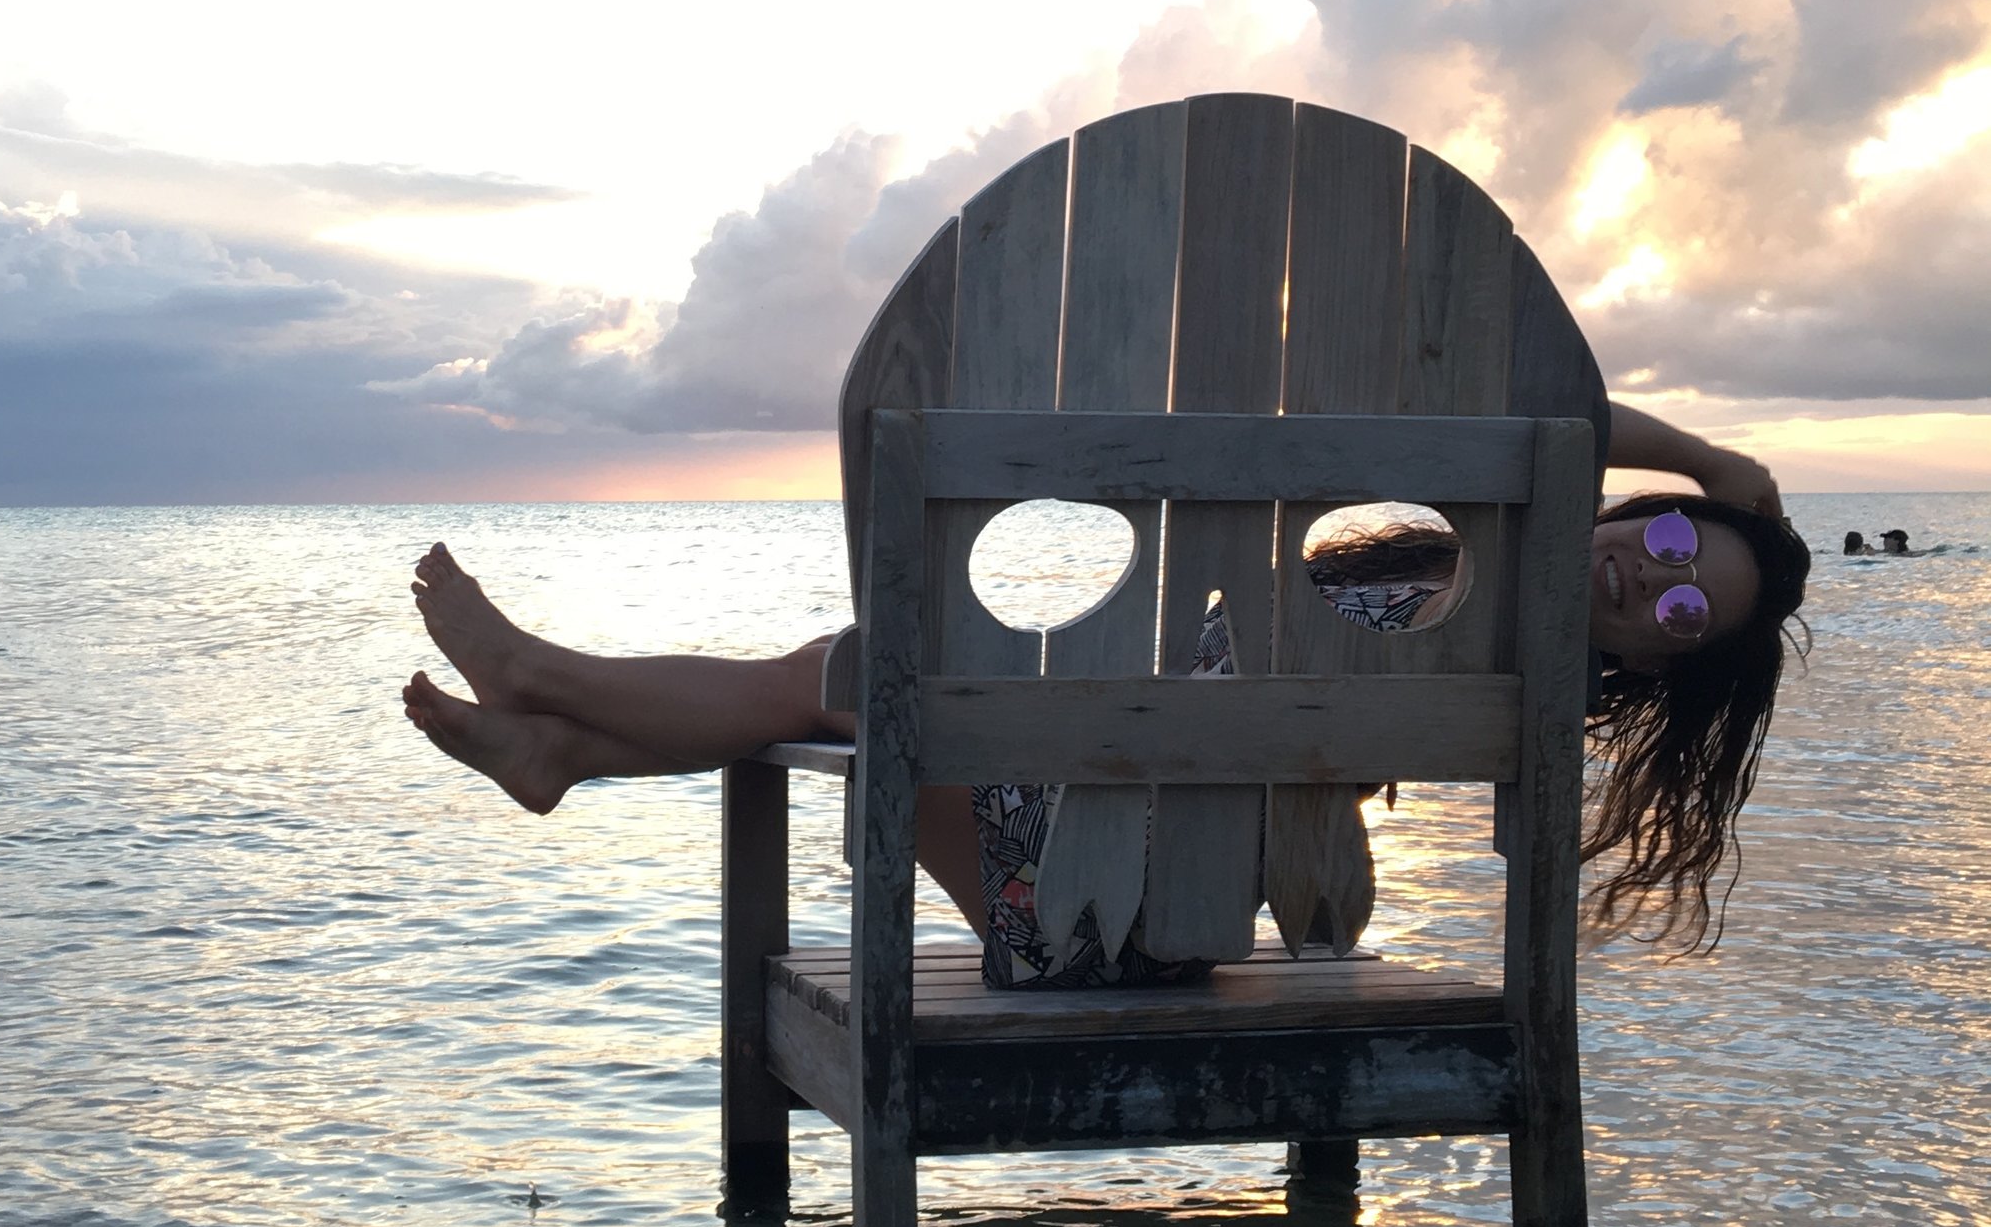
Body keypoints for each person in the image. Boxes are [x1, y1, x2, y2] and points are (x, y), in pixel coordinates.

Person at [404, 402, 1809, 959]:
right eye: (1670, 538)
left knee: (860, 677)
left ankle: (545, 684)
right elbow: (1548, 416)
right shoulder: (1448, 572)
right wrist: (1729, 478)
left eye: (1684, 612)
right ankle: (563, 750)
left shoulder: (1497, 668)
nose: (1653, 577)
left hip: (1083, 916)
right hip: (1088, 848)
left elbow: (1549, 410)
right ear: (1628, 507)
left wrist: (1724, 480)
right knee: (863, 675)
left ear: (1648, 662)